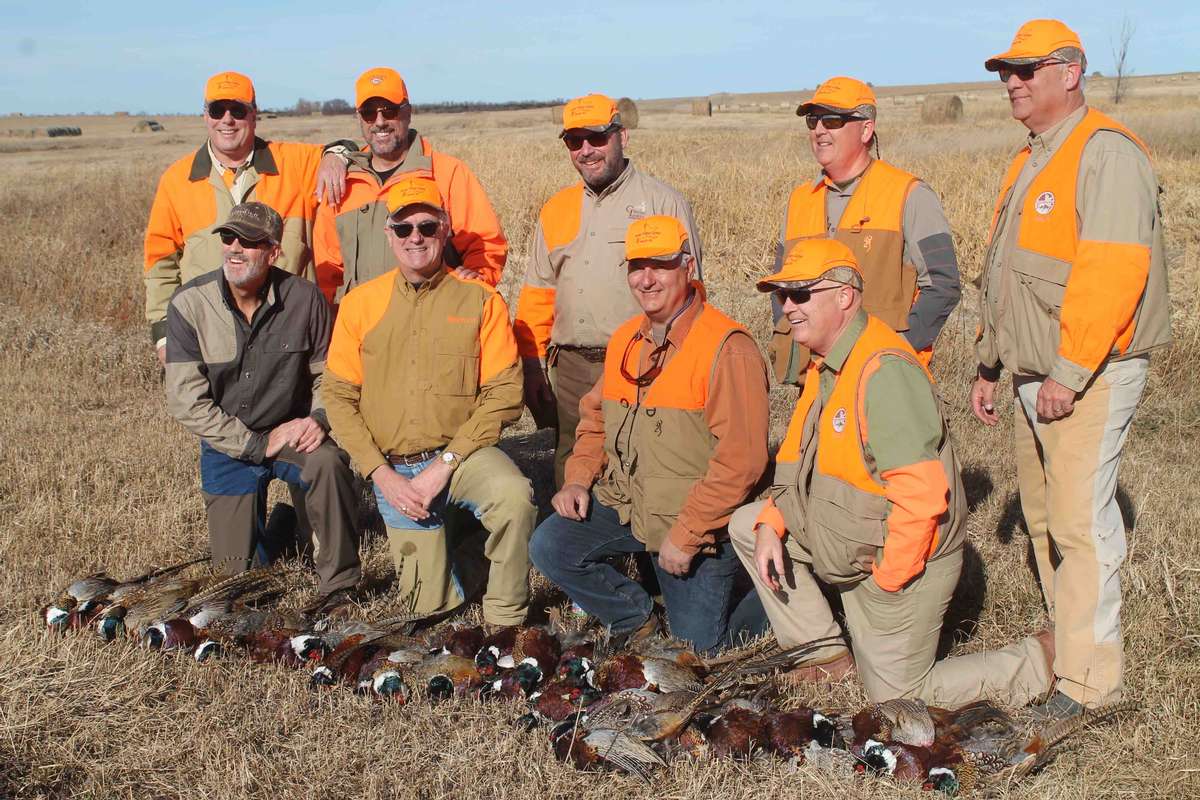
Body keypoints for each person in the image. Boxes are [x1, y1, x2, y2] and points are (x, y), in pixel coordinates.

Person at [730, 238, 1054, 705]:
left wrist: (888, 580)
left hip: (896, 559)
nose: (788, 307)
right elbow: (797, 466)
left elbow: (922, 496)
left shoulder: (883, 371)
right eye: (782, 296)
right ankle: (824, 657)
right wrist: (771, 524)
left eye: (801, 294)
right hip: (848, 537)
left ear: (844, 296)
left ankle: (1039, 660)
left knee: (897, 697)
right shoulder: (826, 366)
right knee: (748, 523)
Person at [971, 19, 1170, 719]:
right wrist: (990, 361)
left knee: (1083, 524)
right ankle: (1069, 645)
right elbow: (1007, 274)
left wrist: (1068, 372)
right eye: (1006, 73)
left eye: (1027, 70)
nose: (1012, 84)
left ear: (1071, 72)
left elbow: (1111, 275)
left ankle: (1090, 685)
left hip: (1085, 373)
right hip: (1032, 373)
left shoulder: (1105, 153)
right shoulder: (1032, 159)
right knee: (1047, 518)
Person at [530, 216, 768, 655]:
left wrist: (687, 534)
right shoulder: (626, 338)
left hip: (690, 519)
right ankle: (634, 617)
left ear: (688, 266)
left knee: (700, 652)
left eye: (660, 264)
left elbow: (743, 461)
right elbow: (594, 417)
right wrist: (579, 478)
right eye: (636, 266)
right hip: (630, 503)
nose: (646, 278)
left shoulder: (727, 347)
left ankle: (778, 596)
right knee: (550, 544)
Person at [322, 176, 535, 627]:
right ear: (389, 234)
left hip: (461, 457)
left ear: (446, 228)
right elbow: (338, 397)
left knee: (514, 497)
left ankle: (505, 620)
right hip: (395, 470)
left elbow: (504, 394)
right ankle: (472, 547)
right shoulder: (360, 304)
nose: (415, 237)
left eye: (426, 226)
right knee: (428, 606)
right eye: (403, 228)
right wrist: (382, 475)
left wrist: (446, 464)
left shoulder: (482, 300)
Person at [164, 202, 361, 613]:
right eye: (229, 238)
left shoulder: (306, 299)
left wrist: (318, 418)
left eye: (250, 242)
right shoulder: (189, 303)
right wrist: (256, 444)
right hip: (229, 446)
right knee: (234, 585)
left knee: (329, 463)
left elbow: (331, 376)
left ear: (273, 252)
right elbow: (187, 401)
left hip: (293, 433)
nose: (235, 248)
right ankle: (283, 526)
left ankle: (338, 585)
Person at [513, 93, 703, 487]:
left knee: (642, 461)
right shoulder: (556, 209)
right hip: (570, 368)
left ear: (623, 136)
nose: (586, 150)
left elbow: (693, 295)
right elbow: (538, 292)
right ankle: (573, 542)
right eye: (574, 141)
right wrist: (532, 364)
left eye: (597, 137)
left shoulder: (661, 203)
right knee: (573, 458)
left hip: (642, 362)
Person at [145, 70, 350, 362]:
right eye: (217, 110)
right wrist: (165, 336)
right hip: (208, 341)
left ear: (254, 115)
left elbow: (355, 150)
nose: (227, 119)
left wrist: (335, 156)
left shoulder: (295, 164)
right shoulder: (177, 180)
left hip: (288, 341)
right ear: (205, 116)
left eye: (238, 110)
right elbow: (160, 265)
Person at [769, 76, 960, 384]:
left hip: (883, 383)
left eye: (832, 120)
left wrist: (896, 351)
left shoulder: (909, 194)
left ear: (866, 129)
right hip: (812, 381)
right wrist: (791, 340)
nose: (819, 130)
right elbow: (781, 288)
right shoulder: (798, 201)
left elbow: (943, 284)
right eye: (813, 120)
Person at [313, 67, 508, 303]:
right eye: (369, 113)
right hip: (362, 329)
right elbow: (327, 270)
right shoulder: (341, 183)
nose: (380, 122)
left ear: (408, 112)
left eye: (390, 111)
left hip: (434, 321)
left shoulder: (446, 173)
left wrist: (475, 286)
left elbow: (486, 245)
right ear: (359, 118)